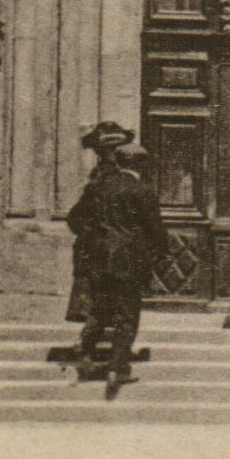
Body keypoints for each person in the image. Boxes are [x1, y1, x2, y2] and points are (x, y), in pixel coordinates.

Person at [65, 139, 169, 398]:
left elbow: (74, 218)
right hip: (130, 260)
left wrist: (95, 238)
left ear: (118, 162)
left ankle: (84, 356)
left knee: (100, 309)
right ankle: (116, 368)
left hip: (100, 259)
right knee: (127, 315)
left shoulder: (98, 187)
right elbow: (155, 228)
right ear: (141, 165)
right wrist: (159, 252)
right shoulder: (142, 190)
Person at [64, 122, 138, 326]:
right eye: (108, 150)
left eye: (116, 149)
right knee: (101, 307)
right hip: (103, 250)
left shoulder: (117, 178)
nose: (112, 155)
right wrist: (94, 234)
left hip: (111, 249)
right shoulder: (101, 180)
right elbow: (76, 216)